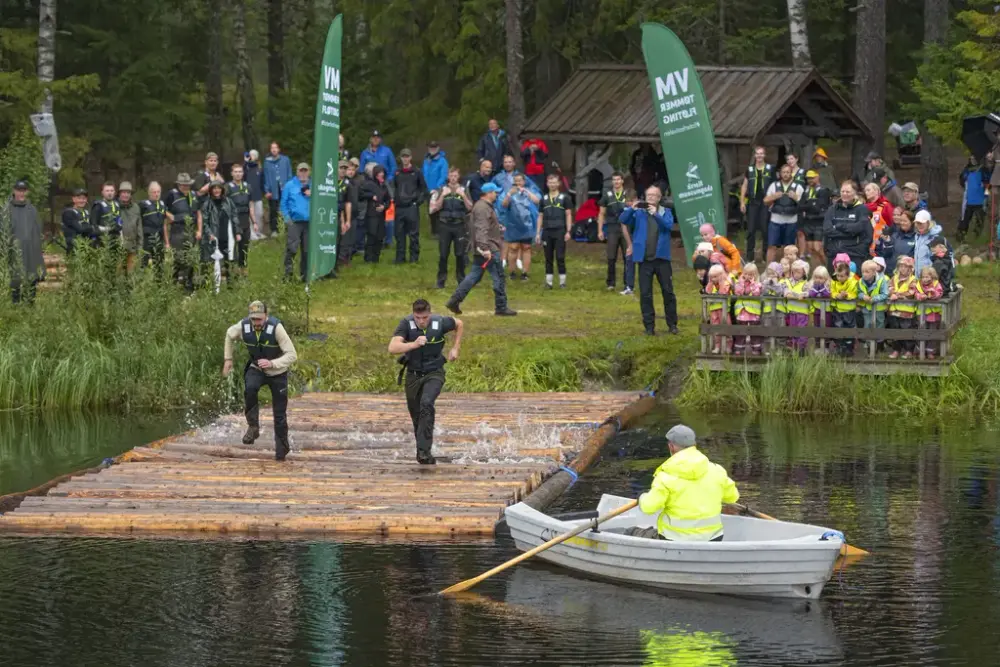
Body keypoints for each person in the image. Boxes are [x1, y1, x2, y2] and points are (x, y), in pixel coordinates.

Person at [630, 425, 739, 542]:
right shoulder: (717, 470)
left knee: (630, 532)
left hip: (673, 539)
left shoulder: (666, 475)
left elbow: (648, 507)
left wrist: (642, 497)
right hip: (713, 539)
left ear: (671, 447)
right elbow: (732, 497)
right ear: (694, 445)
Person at [387, 299, 464, 465]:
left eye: (425, 317)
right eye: (418, 318)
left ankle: (424, 453)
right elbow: (392, 348)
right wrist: (413, 344)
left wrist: (455, 347)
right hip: (413, 374)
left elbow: (459, 323)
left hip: (434, 372)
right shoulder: (406, 324)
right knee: (417, 416)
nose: (422, 321)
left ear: (430, 314)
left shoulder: (440, 322)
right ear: (413, 315)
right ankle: (422, 450)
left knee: (427, 403)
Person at [222, 301, 298, 461]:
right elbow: (229, 334)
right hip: (257, 368)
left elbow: (292, 355)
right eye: (253, 319)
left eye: (259, 319)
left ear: (266, 316)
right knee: (250, 388)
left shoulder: (276, 328)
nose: (256, 323)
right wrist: (228, 359)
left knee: (279, 414)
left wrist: (273, 363)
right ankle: (253, 426)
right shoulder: (243, 326)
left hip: (278, 372)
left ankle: (281, 450)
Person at [445, 183, 517, 317]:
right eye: (495, 192)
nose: (496, 194)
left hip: (482, 247)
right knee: (499, 277)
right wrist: (485, 248)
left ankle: (454, 301)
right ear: (488, 193)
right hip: (488, 249)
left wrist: (497, 227)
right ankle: (501, 306)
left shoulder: (481, 206)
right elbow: (481, 229)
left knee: (473, 277)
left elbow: (484, 226)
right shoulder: (483, 208)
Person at [620, 185, 679, 336]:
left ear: (659, 198)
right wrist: (631, 209)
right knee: (645, 294)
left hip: (662, 259)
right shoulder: (639, 212)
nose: (651, 198)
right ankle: (649, 326)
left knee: (668, 292)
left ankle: (672, 324)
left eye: (654, 195)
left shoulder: (666, 212)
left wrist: (656, 215)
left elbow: (668, 226)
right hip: (645, 259)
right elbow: (623, 220)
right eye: (649, 195)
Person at [429, 166, 473, 288]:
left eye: (455, 176)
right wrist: (443, 195)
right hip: (444, 225)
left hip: (459, 225)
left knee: (460, 254)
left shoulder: (464, 189)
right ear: (448, 177)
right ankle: (440, 281)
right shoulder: (441, 189)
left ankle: (461, 280)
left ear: (458, 177)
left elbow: (470, 208)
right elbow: (435, 208)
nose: (453, 178)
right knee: (443, 254)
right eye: (451, 176)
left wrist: (463, 195)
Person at [2, 181, 45, 303]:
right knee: (15, 277)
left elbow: (37, 229)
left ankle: (30, 305)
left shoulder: (32, 209)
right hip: (14, 250)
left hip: (31, 249)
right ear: (14, 191)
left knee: (32, 276)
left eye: (23, 190)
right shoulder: (6, 209)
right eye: (19, 190)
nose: (21, 193)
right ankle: (15, 306)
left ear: (27, 192)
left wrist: (38, 247)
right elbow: (3, 230)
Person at [823, 181, 872, 275]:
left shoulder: (862, 209)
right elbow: (827, 230)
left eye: (848, 192)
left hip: (854, 255)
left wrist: (838, 226)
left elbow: (860, 228)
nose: (844, 194)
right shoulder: (832, 209)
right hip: (834, 254)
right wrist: (850, 233)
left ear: (855, 193)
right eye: (843, 191)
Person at [535, 173, 573, 289]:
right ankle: (549, 282)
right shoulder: (544, 199)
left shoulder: (564, 198)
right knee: (548, 257)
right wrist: (538, 233)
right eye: (550, 182)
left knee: (560, 257)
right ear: (547, 184)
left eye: (554, 182)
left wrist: (568, 231)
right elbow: (540, 216)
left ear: (559, 183)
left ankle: (562, 282)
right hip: (547, 231)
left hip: (560, 230)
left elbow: (568, 214)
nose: (552, 184)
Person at [163, 173, 201, 290]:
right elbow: (161, 208)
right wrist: (171, 217)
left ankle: (189, 285)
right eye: (184, 185)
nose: (186, 187)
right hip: (177, 230)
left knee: (191, 258)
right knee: (178, 258)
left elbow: (198, 213)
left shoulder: (193, 195)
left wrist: (199, 230)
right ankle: (172, 284)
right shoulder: (172, 194)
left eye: (188, 185)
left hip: (191, 230)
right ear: (179, 184)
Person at [598, 172, 634, 294]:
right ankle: (611, 283)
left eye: (618, 180)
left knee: (627, 257)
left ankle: (627, 283)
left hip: (626, 228)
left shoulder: (628, 194)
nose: (616, 182)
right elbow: (601, 213)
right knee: (611, 257)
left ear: (622, 181)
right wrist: (600, 230)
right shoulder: (607, 195)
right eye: (614, 180)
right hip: (612, 228)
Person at [739, 146, 775, 262]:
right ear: (754, 155)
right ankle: (750, 257)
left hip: (765, 202)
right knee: (751, 230)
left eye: (761, 153)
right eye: (757, 154)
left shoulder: (770, 169)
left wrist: (773, 201)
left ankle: (765, 255)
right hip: (753, 202)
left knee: (765, 230)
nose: (759, 156)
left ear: (764, 155)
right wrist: (742, 202)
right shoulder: (749, 170)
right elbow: (744, 186)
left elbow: (775, 186)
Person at [502, 173, 540, 281]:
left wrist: (527, 192)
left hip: (527, 225)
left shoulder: (529, 191)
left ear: (524, 181)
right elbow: (504, 205)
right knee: (513, 248)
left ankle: (525, 273)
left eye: (520, 180)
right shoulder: (509, 192)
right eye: (516, 180)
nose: (518, 183)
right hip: (513, 225)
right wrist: (509, 194)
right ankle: (512, 272)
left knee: (526, 248)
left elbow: (537, 201)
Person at [392, 148, 427, 263]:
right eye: (403, 157)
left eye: (407, 156)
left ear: (410, 157)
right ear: (400, 158)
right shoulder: (397, 172)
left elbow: (424, 189)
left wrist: (417, 202)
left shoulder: (417, 172)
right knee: (399, 234)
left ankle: (414, 258)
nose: (405, 159)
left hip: (411, 206)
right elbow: (394, 187)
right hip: (399, 207)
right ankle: (400, 258)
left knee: (413, 234)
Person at [763, 164, 803, 263]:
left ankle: (788, 271)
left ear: (791, 174)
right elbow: (765, 201)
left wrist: (796, 198)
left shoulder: (798, 187)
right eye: (784, 172)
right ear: (780, 173)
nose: (785, 174)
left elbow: (804, 205)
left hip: (791, 221)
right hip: (775, 221)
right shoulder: (774, 185)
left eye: (788, 172)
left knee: (789, 248)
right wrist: (773, 197)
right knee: (772, 246)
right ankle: (769, 270)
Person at [200, 180, 239, 282]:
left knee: (230, 260)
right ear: (211, 190)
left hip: (227, 235)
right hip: (214, 237)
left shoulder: (229, 201)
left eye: (218, 188)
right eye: (214, 188)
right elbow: (204, 222)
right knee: (211, 261)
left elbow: (234, 216)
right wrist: (209, 234)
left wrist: (238, 231)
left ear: (222, 189)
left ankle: (231, 283)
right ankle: (211, 284)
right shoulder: (207, 204)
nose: (216, 190)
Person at [280, 163, 311, 281]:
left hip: (309, 223)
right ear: (297, 172)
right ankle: (288, 275)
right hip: (294, 222)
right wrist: (287, 219)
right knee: (292, 248)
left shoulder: (314, 185)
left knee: (307, 250)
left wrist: (312, 195)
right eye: (301, 171)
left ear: (309, 172)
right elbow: (283, 204)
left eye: (305, 171)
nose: (303, 173)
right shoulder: (290, 185)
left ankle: (305, 275)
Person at [888, 256, 921, 359]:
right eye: (900, 266)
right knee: (895, 330)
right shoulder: (894, 278)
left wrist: (897, 295)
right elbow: (889, 288)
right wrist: (892, 293)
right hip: (894, 310)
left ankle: (909, 350)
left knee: (907, 330)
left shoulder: (913, 279)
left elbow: (911, 292)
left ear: (910, 268)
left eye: (905, 266)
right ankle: (896, 349)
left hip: (907, 312)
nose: (902, 268)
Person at [228, 163, 256, 274]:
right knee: (232, 247)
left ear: (243, 173)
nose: (238, 174)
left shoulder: (247, 186)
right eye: (236, 172)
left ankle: (243, 269)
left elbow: (251, 204)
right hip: (233, 220)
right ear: (232, 173)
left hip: (245, 220)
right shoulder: (228, 187)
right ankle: (231, 270)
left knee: (244, 246)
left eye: (240, 171)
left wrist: (254, 221)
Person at [361, 164, 392, 263]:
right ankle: (368, 258)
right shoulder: (369, 184)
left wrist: (384, 207)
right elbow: (361, 194)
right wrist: (371, 196)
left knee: (380, 236)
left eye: (382, 173)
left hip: (381, 215)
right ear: (375, 174)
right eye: (379, 173)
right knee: (371, 235)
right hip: (371, 215)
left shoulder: (384, 186)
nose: (381, 175)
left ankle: (376, 258)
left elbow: (388, 200)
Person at [799, 170, 831, 267]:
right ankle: (816, 272)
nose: (810, 180)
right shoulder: (806, 190)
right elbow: (800, 206)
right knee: (811, 249)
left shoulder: (824, 190)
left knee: (818, 248)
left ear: (817, 177)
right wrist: (812, 204)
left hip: (819, 222)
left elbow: (819, 207)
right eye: (808, 178)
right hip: (808, 222)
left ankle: (828, 268)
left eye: (812, 178)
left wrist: (808, 205)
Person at [830, 254, 859, 356]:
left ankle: (849, 349)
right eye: (838, 275)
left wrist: (846, 295)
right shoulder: (834, 281)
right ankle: (840, 348)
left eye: (842, 276)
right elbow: (832, 291)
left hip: (849, 311)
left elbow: (855, 293)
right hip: (838, 310)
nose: (839, 278)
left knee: (849, 330)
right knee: (838, 329)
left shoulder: (853, 281)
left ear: (847, 275)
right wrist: (836, 295)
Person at [263, 141, 293, 237]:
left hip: (284, 188)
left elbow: (289, 174)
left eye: (276, 147)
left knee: (286, 208)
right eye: (272, 148)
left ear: (279, 149)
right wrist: (267, 190)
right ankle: (274, 230)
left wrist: (290, 187)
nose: (274, 149)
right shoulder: (267, 162)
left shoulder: (285, 160)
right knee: (273, 210)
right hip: (273, 190)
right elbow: (266, 176)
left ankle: (288, 228)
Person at [732, 263, 762, 356]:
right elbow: (738, 292)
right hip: (742, 311)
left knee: (754, 331)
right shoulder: (739, 283)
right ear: (743, 273)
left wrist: (752, 284)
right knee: (741, 331)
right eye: (746, 274)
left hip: (753, 312)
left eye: (751, 274)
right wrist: (742, 283)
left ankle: (756, 348)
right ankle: (739, 348)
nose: (748, 276)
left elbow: (756, 293)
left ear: (755, 275)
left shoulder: (758, 284)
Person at [958, 156, 990, 241]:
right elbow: (962, 181)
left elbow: (988, 184)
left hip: (981, 200)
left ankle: (977, 237)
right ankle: (961, 236)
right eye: (971, 158)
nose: (973, 160)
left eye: (975, 158)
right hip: (969, 200)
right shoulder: (966, 170)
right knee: (965, 220)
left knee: (980, 220)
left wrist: (986, 195)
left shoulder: (984, 170)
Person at [877, 208, 916, 276]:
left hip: (906, 275)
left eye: (905, 221)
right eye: (901, 221)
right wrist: (888, 243)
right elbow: (886, 255)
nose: (902, 223)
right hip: (890, 272)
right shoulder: (894, 235)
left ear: (912, 222)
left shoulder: (916, 238)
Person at [917, 266, 944, 359]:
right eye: (923, 277)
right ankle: (920, 350)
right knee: (921, 331)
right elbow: (916, 293)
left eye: (927, 277)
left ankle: (930, 351)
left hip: (933, 314)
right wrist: (920, 296)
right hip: (922, 314)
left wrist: (932, 293)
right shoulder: (918, 284)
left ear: (932, 277)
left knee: (932, 332)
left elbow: (939, 294)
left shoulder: (936, 284)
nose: (925, 279)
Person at [139, 182, 167, 269]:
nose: (156, 194)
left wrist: (166, 242)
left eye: (158, 192)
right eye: (154, 192)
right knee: (144, 263)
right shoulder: (143, 204)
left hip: (159, 238)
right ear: (149, 193)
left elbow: (165, 223)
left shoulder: (162, 205)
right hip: (147, 238)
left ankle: (158, 281)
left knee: (159, 263)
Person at [423, 141, 449, 236]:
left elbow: (443, 176)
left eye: (434, 147)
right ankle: (434, 231)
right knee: (430, 211)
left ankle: (439, 231)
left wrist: (437, 188)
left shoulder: (443, 161)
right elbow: (424, 174)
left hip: (437, 190)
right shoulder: (426, 160)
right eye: (431, 147)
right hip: (427, 190)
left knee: (437, 211)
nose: (432, 149)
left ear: (438, 148)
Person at [857, 259, 889, 332]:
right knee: (867, 325)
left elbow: (885, 294)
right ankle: (868, 342)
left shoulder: (882, 280)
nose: (864, 274)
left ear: (874, 273)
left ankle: (879, 342)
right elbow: (858, 292)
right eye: (863, 272)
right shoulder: (860, 281)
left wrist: (874, 298)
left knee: (879, 325)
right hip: (867, 309)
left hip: (879, 309)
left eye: (867, 272)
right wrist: (863, 296)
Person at [62, 188, 97, 255]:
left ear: (86, 199)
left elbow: (93, 228)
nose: (81, 200)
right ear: (73, 199)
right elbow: (80, 229)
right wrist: (92, 228)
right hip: (74, 249)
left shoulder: (87, 212)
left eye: (84, 198)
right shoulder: (68, 212)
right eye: (79, 198)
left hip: (87, 247)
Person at [863, 182, 894, 256]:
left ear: (876, 191)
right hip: (867, 247)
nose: (866, 192)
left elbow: (892, 225)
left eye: (868, 190)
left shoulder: (886, 206)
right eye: (865, 191)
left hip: (882, 247)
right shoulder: (864, 208)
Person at [117, 181, 142, 272]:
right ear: (119, 193)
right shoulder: (115, 206)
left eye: (128, 193)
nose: (126, 195)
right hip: (118, 248)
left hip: (132, 247)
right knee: (119, 275)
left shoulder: (136, 207)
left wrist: (140, 246)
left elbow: (139, 228)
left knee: (132, 275)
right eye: (123, 192)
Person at [913, 210, 945, 274]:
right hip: (919, 278)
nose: (919, 225)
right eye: (917, 223)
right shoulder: (917, 236)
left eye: (922, 223)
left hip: (930, 278)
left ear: (928, 223)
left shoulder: (935, 238)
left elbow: (939, 261)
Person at [243, 150, 265, 239]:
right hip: (248, 196)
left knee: (259, 214)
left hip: (258, 195)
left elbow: (262, 181)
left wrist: (263, 191)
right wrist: (245, 162)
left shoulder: (259, 168)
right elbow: (242, 176)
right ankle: (251, 234)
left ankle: (258, 232)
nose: (252, 156)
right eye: (251, 155)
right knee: (250, 215)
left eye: (254, 155)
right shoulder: (246, 167)